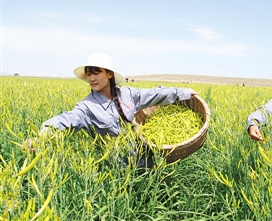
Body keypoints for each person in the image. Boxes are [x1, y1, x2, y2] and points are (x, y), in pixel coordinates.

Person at [31, 52, 198, 170]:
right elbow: (64, 120)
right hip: (117, 171)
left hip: (146, 163)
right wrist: (40, 137)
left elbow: (155, 93)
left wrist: (184, 92)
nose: (91, 78)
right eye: (89, 75)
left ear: (109, 74)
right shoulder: (87, 107)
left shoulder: (128, 94)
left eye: (96, 73)